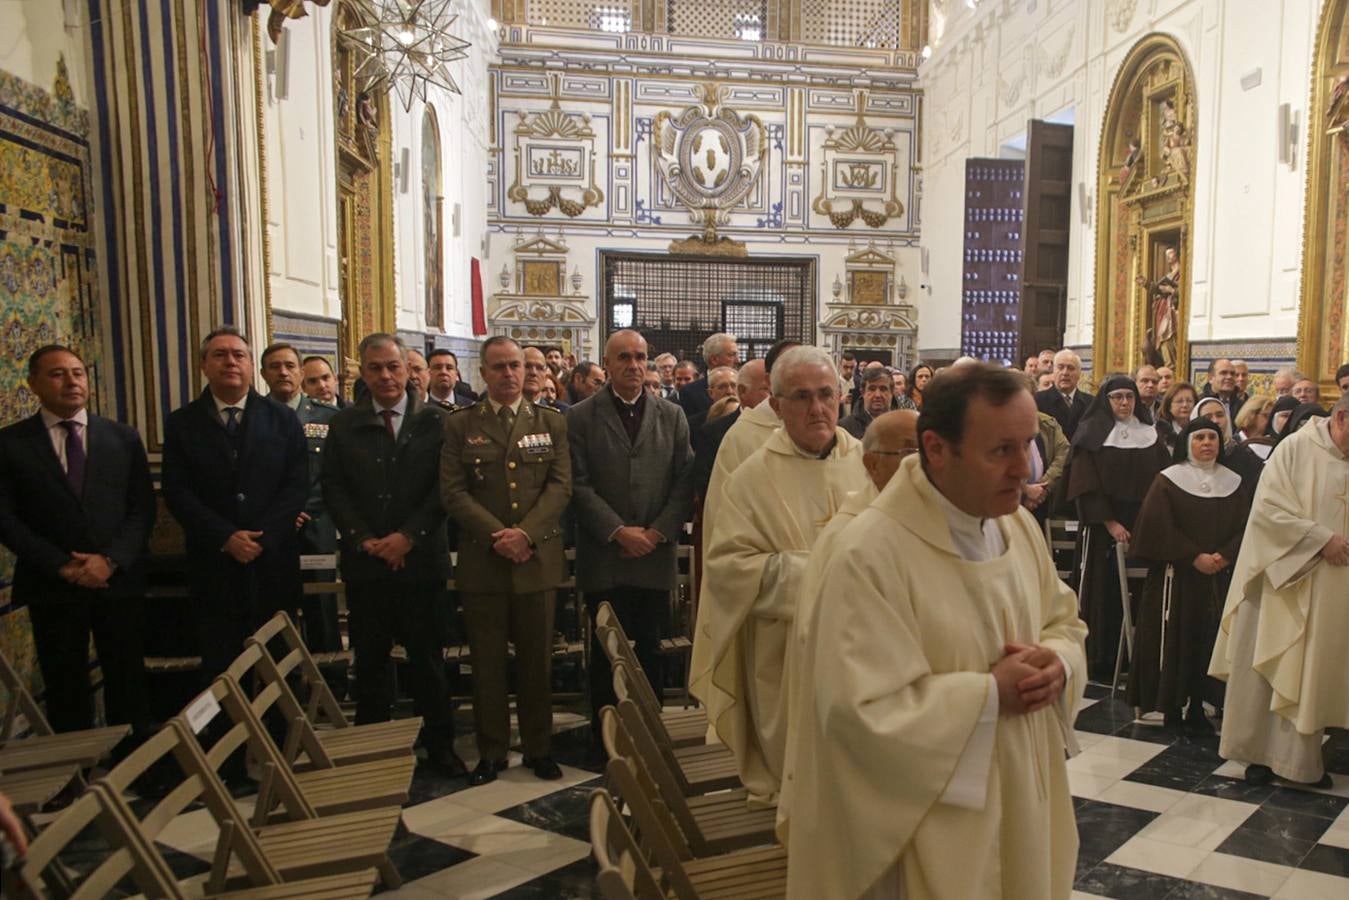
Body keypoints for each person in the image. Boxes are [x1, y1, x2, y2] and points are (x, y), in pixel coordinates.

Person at [785, 363, 1086, 900]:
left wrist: (1058, 664)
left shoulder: (1016, 526)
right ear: (937, 448)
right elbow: (855, 712)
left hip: (1022, 789)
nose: (1024, 468)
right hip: (928, 827)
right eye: (1001, 450)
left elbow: (1063, 620)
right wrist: (989, 695)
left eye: (1027, 445)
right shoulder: (870, 554)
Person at [692, 346, 870, 806]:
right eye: (802, 397)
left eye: (826, 394)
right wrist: (821, 574)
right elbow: (729, 568)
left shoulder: (867, 464)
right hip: (785, 651)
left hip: (860, 649)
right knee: (796, 782)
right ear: (776, 405)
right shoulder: (750, 479)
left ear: (841, 398)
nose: (817, 408)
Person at [320, 333, 464, 776]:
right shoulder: (344, 425)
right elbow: (334, 489)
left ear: (408, 370)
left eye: (393, 366)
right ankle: (372, 750)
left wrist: (408, 537)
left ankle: (439, 745)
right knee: (370, 661)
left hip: (421, 561)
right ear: (362, 373)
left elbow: (445, 488)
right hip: (367, 564)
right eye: (375, 368)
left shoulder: (436, 422)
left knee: (428, 659)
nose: (385, 375)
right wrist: (364, 538)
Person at [777, 410, 918, 841]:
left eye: (928, 451)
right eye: (909, 453)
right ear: (871, 464)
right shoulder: (851, 538)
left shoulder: (923, 524)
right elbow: (834, 658)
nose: (922, 465)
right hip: (866, 733)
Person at [0, 345, 153, 740]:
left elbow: (141, 509)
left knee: (127, 678)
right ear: (33, 384)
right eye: (57, 374)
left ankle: (134, 761)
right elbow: (6, 519)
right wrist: (61, 565)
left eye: (78, 373)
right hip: (52, 584)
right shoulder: (11, 444)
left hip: (117, 581)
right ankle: (75, 767)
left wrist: (110, 560)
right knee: (64, 682)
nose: (71, 381)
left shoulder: (122, 437)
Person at [441, 336, 571, 784]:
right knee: (488, 665)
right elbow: (453, 491)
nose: (511, 374)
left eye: (517, 365)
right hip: (485, 561)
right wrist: (499, 536)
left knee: (537, 663)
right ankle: (492, 752)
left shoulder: (551, 422)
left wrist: (525, 534)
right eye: (499, 366)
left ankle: (539, 748)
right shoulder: (461, 424)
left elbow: (560, 486)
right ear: (482, 372)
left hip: (536, 559)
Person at [1209, 394, 1349, 787]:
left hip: (1334, 588)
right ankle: (1260, 756)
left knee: (1314, 670)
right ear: (1341, 417)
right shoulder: (1295, 449)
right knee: (1275, 664)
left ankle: (1302, 759)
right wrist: (1321, 540)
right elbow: (1268, 511)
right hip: (1286, 582)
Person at [566, 329, 694, 735]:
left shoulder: (671, 415)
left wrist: (655, 533)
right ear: (607, 363)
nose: (634, 365)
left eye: (640, 357)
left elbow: (684, 482)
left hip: (654, 556)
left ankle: (651, 733)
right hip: (605, 555)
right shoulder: (581, 416)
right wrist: (619, 531)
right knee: (607, 652)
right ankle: (604, 736)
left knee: (651, 649)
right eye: (624, 357)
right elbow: (577, 484)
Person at [162, 326, 307, 681]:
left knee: (279, 663)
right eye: (220, 355)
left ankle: (283, 720)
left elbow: (296, 485)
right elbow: (178, 491)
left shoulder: (282, 418)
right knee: (222, 664)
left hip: (272, 560)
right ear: (204, 366)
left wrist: (263, 538)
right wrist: (225, 537)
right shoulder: (182, 423)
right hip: (214, 562)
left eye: (238, 355)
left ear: (250, 366)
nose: (230, 362)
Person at [1127, 419, 1249, 734]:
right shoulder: (1168, 480)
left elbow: (1247, 526)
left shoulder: (1234, 482)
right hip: (1176, 579)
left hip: (1218, 578)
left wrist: (1225, 555)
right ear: (1187, 443)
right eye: (1200, 438)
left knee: (1208, 640)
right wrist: (1193, 557)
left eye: (1212, 437)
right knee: (1175, 642)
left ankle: (1199, 706)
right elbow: (1156, 527)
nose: (1207, 443)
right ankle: (1170, 707)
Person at [1066, 374, 1171, 680]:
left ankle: (1136, 657)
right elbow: (1085, 484)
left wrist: (1150, 522)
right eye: (1118, 397)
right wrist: (1110, 523)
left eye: (1129, 397)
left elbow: (1163, 482)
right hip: (1103, 527)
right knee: (1104, 591)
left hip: (1143, 525)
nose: (1124, 403)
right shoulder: (1091, 433)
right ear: (1106, 400)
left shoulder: (1149, 434)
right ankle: (1101, 657)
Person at [261, 343, 343, 653]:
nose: (283, 372)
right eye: (275, 367)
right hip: (271, 527)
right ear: (263, 374)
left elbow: (334, 475)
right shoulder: (255, 415)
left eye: (289, 366)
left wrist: (299, 509)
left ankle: (330, 674)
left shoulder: (329, 417)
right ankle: (286, 676)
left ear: (299, 372)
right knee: (275, 608)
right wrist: (281, 513)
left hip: (316, 524)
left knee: (322, 606)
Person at [701, 340, 799, 545]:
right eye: (790, 367)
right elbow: (722, 513)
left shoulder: (838, 440)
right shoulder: (741, 436)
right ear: (771, 379)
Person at [692, 359, 766, 502]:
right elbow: (706, 485)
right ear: (742, 391)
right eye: (766, 389)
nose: (773, 396)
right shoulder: (713, 432)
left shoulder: (784, 427)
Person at [1035, 349, 1093, 440]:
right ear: (1053, 371)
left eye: (1071, 368)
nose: (1065, 373)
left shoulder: (1091, 403)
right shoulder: (1037, 400)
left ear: (1079, 373)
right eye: (1060, 367)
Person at [1025, 403, 1069, 522]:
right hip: (1010, 502)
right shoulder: (999, 424)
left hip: (1044, 501)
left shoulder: (1047, 423)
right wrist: (1025, 490)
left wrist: (1042, 488)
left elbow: (1064, 453)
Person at [678, 332, 739, 418]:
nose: (738, 360)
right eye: (731, 355)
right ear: (714, 359)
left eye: (733, 385)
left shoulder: (744, 386)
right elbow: (689, 424)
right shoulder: (690, 392)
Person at [686, 365, 737, 448]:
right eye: (722, 387)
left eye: (734, 385)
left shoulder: (749, 420)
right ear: (710, 393)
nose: (730, 391)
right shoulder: (694, 425)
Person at [839, 365, 894, 439]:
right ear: (862, 392)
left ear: (892, 392)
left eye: (883, 389)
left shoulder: (903, 425)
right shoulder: (844, 428)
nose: (877, 395)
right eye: (872, 389)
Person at [1155, 381, 1198, 454]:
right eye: (1179, 401)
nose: (1185, 405)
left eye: (1189, 401)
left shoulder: (1200, 428)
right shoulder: (1159, 431)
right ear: (1169, 406)